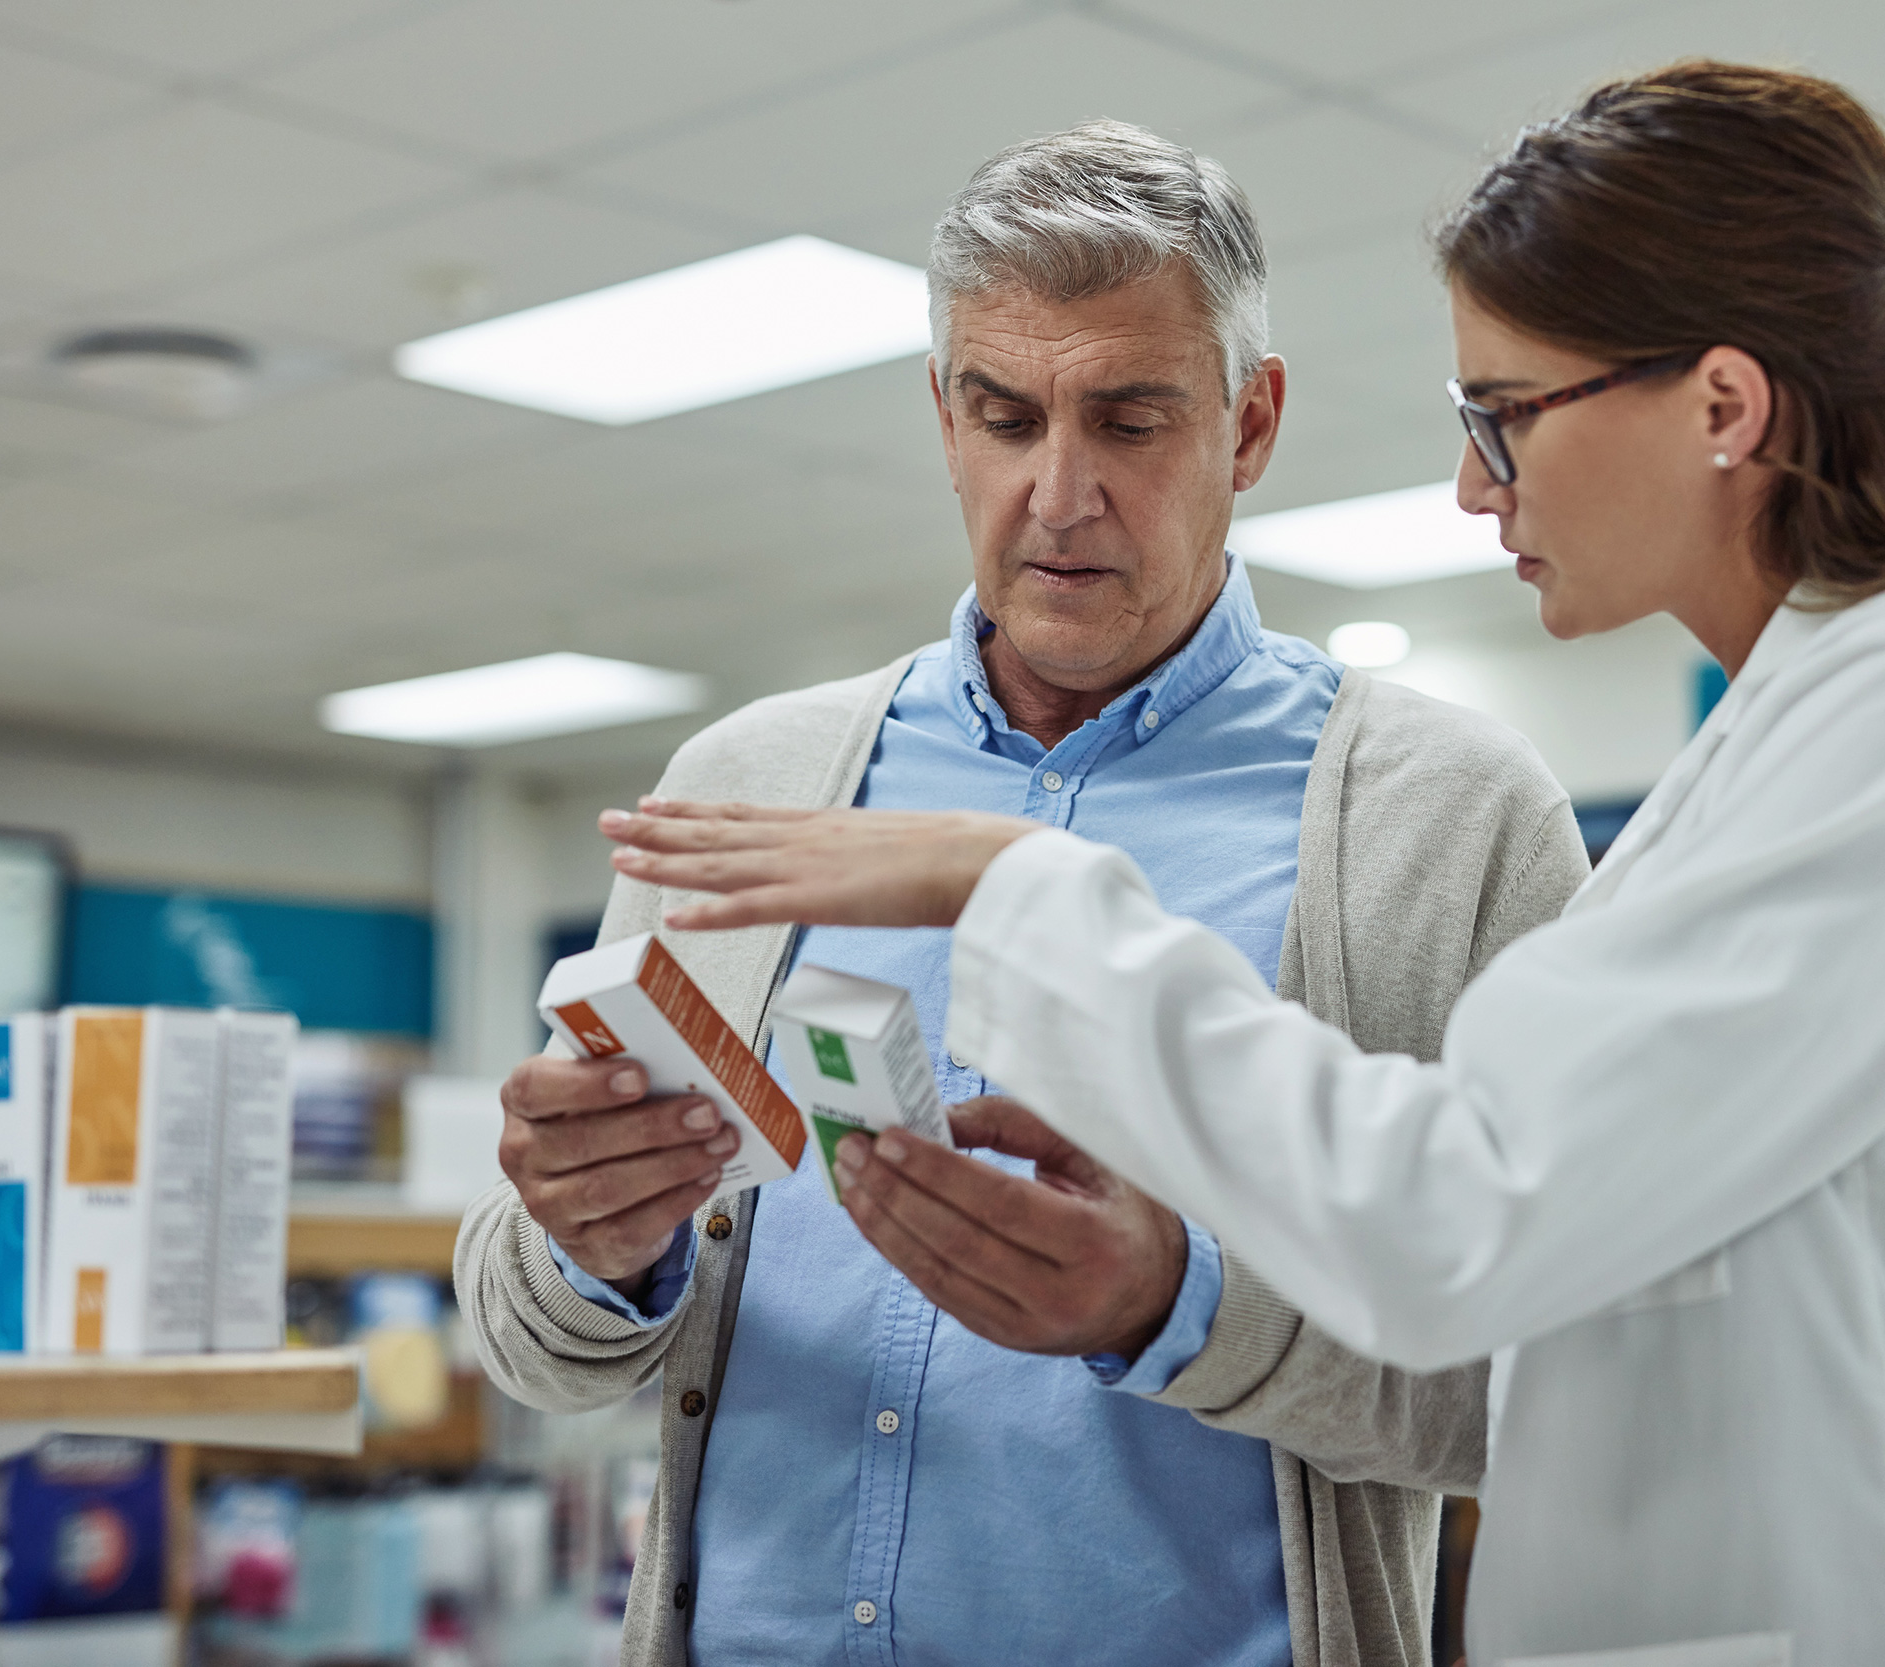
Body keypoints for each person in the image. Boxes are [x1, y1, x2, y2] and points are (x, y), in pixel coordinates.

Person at [600, 63, 1885, 1667]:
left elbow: (1456, 1220)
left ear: (1722, 406)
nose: (1472, 483)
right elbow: (1537, 1235)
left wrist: (1019, 894)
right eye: (1006, 414)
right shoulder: (1798, 737)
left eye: (1506, 415)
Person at [455, 121, 1590, 1667]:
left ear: (1250, 425)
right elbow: (534, 1346)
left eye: (1130, 419)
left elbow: (1558, 1386)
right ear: (943, 414)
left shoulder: (1447, 822)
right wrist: (593, 1239)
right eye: (1005, 416)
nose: (1059, 495)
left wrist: (1175, 1306)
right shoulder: (756, 780)